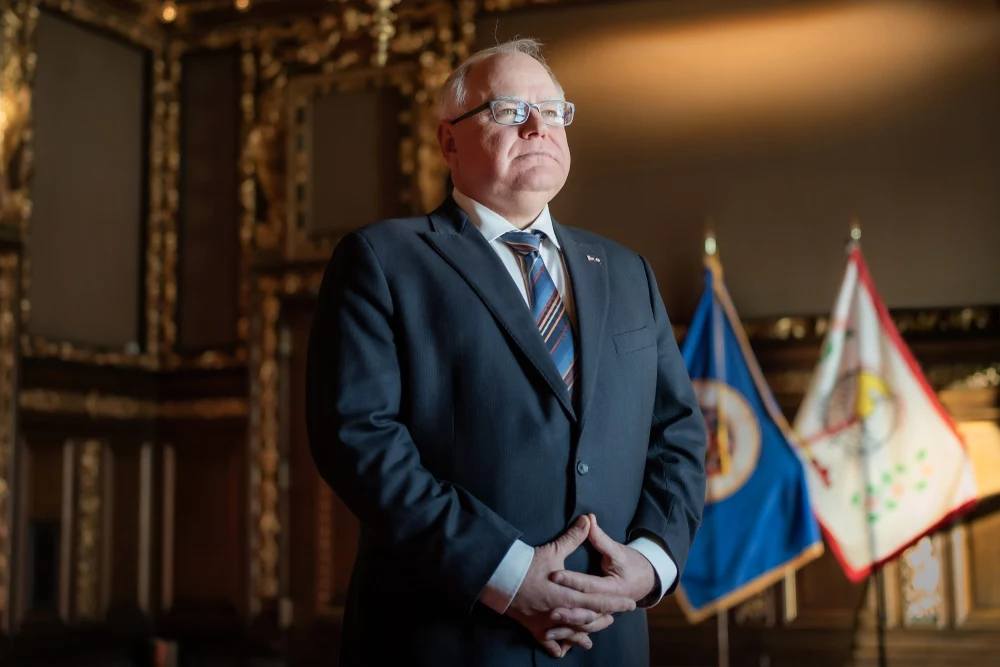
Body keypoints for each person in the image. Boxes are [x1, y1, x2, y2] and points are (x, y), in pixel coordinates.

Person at [305, 38, 707, 667]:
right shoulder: (383, 261)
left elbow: (678, 434)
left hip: (609, 639)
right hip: (447, 636)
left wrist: (651, 562)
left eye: (553, 111)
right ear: (448, 142)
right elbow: (357, 438)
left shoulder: (629, 273)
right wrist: (508, 573)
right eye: (508, 110)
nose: (537, 126)